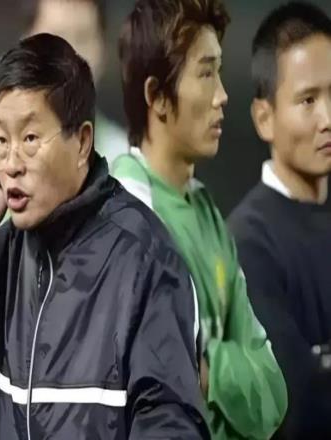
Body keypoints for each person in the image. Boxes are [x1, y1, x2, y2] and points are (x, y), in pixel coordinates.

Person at [0, 33, 210, 440]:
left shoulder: (144, 259)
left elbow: (171, 427)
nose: (11, 162)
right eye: (1, 139)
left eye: (30, 139)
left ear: (82, 142)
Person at [111, 1, 287, 439]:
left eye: (219, 72)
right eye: (206, 73)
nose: (222, 95)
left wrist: (211, 369)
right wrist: (228, 371)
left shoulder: (207, 215)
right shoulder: (124, 214)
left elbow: (272, 397)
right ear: (156, 96)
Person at [228, 2, 331, 438]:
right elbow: (294, 403)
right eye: (308, 100)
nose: (328, 119)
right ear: (264, 117)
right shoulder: (248, 242)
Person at [0, 0, 128, 226]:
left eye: (82, 38)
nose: (69, 61)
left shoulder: (127, 164)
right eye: (55, 41)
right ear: (26, 46)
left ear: (104, 49)